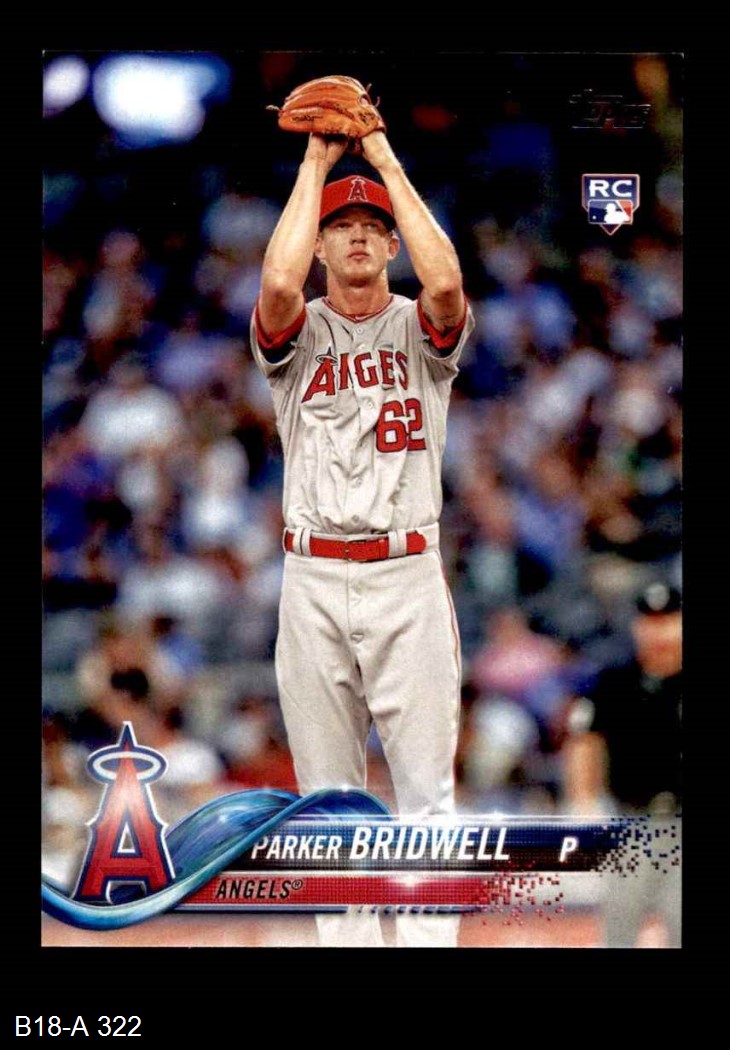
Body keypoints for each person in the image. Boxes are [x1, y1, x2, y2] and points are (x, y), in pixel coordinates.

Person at [249, 129, 474, 947]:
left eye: (371, 227)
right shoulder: (296, 332)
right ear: (318, 244)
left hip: (406, 574)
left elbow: (446, 281)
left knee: (425, 800)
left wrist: (380, 155)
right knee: (328, 804)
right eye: (340, 226)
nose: (355, 235)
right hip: (312, 576)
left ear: (391, 244)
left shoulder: (421, 326)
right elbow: (278, 281)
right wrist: (315, 160)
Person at [562, 581, 682, 946]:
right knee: (619, 925)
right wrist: (585, 804)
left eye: (667, 620)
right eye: (650, 621)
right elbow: (585, 742)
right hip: (631, 823)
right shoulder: (614, 683)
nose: (658, 631)